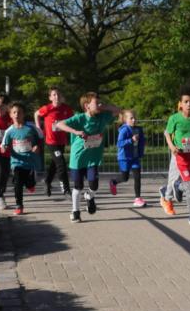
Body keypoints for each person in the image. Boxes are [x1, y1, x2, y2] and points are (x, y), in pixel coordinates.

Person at [54, 92, 121, 223]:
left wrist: (104, 106)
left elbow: (118, 110)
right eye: (96, 103)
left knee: (94, 185)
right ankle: (75, 212)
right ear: (87, 106)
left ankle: (89, 196)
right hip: (78, 158)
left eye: (100, 102)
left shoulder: (103, 116)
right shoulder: (80, 118)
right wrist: (76, 132)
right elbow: (59, 124)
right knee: (78, 186)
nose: (100, 105)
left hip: (93, 158)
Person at [162, 89, 190, 225]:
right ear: (180, 104)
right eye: (186, 102)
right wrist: (171, 146)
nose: (189, 104)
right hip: (182, 157)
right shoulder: (174, 118)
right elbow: (167, 133)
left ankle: (178, 185)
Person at [0, 102, 43, 216]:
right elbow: (3, 145)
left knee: (29, 183)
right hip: (17, 162)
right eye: (14, 112)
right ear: (10, 115)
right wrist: (3, 148)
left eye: (19, 112)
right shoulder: (9, 131)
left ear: (23, 114)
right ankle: (19, 206)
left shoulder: (31, 127)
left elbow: (40, 138)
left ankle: (30, 185)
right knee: (18, 183)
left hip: (30, 162)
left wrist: (37, 146)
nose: (17, 114)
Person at [35, 87, 74, 197]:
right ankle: (66, 189)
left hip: (61, 141)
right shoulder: (47, 108)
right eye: (54, 95)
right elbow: (36, 114)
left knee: (55, 163)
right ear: (50, 97)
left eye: (58, 95)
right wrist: (38, 128)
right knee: (61, 163)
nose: (56, 97)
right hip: (51, 141)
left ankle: (47, 181)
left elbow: (73, 120)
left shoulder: (66, 109)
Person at [110, 109, 147, 207]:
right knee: (125, 178)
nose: (134, 120)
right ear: (125, 120)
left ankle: (138, 198)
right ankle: (113, 182)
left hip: (135, 157)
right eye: (131, 118)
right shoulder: (124, 130)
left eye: (135, 118)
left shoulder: (139, 129)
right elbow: (119, 143)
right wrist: (131, 140)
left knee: (137, 177)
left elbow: (142, 142)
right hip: (124, 158)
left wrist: (141, 151)